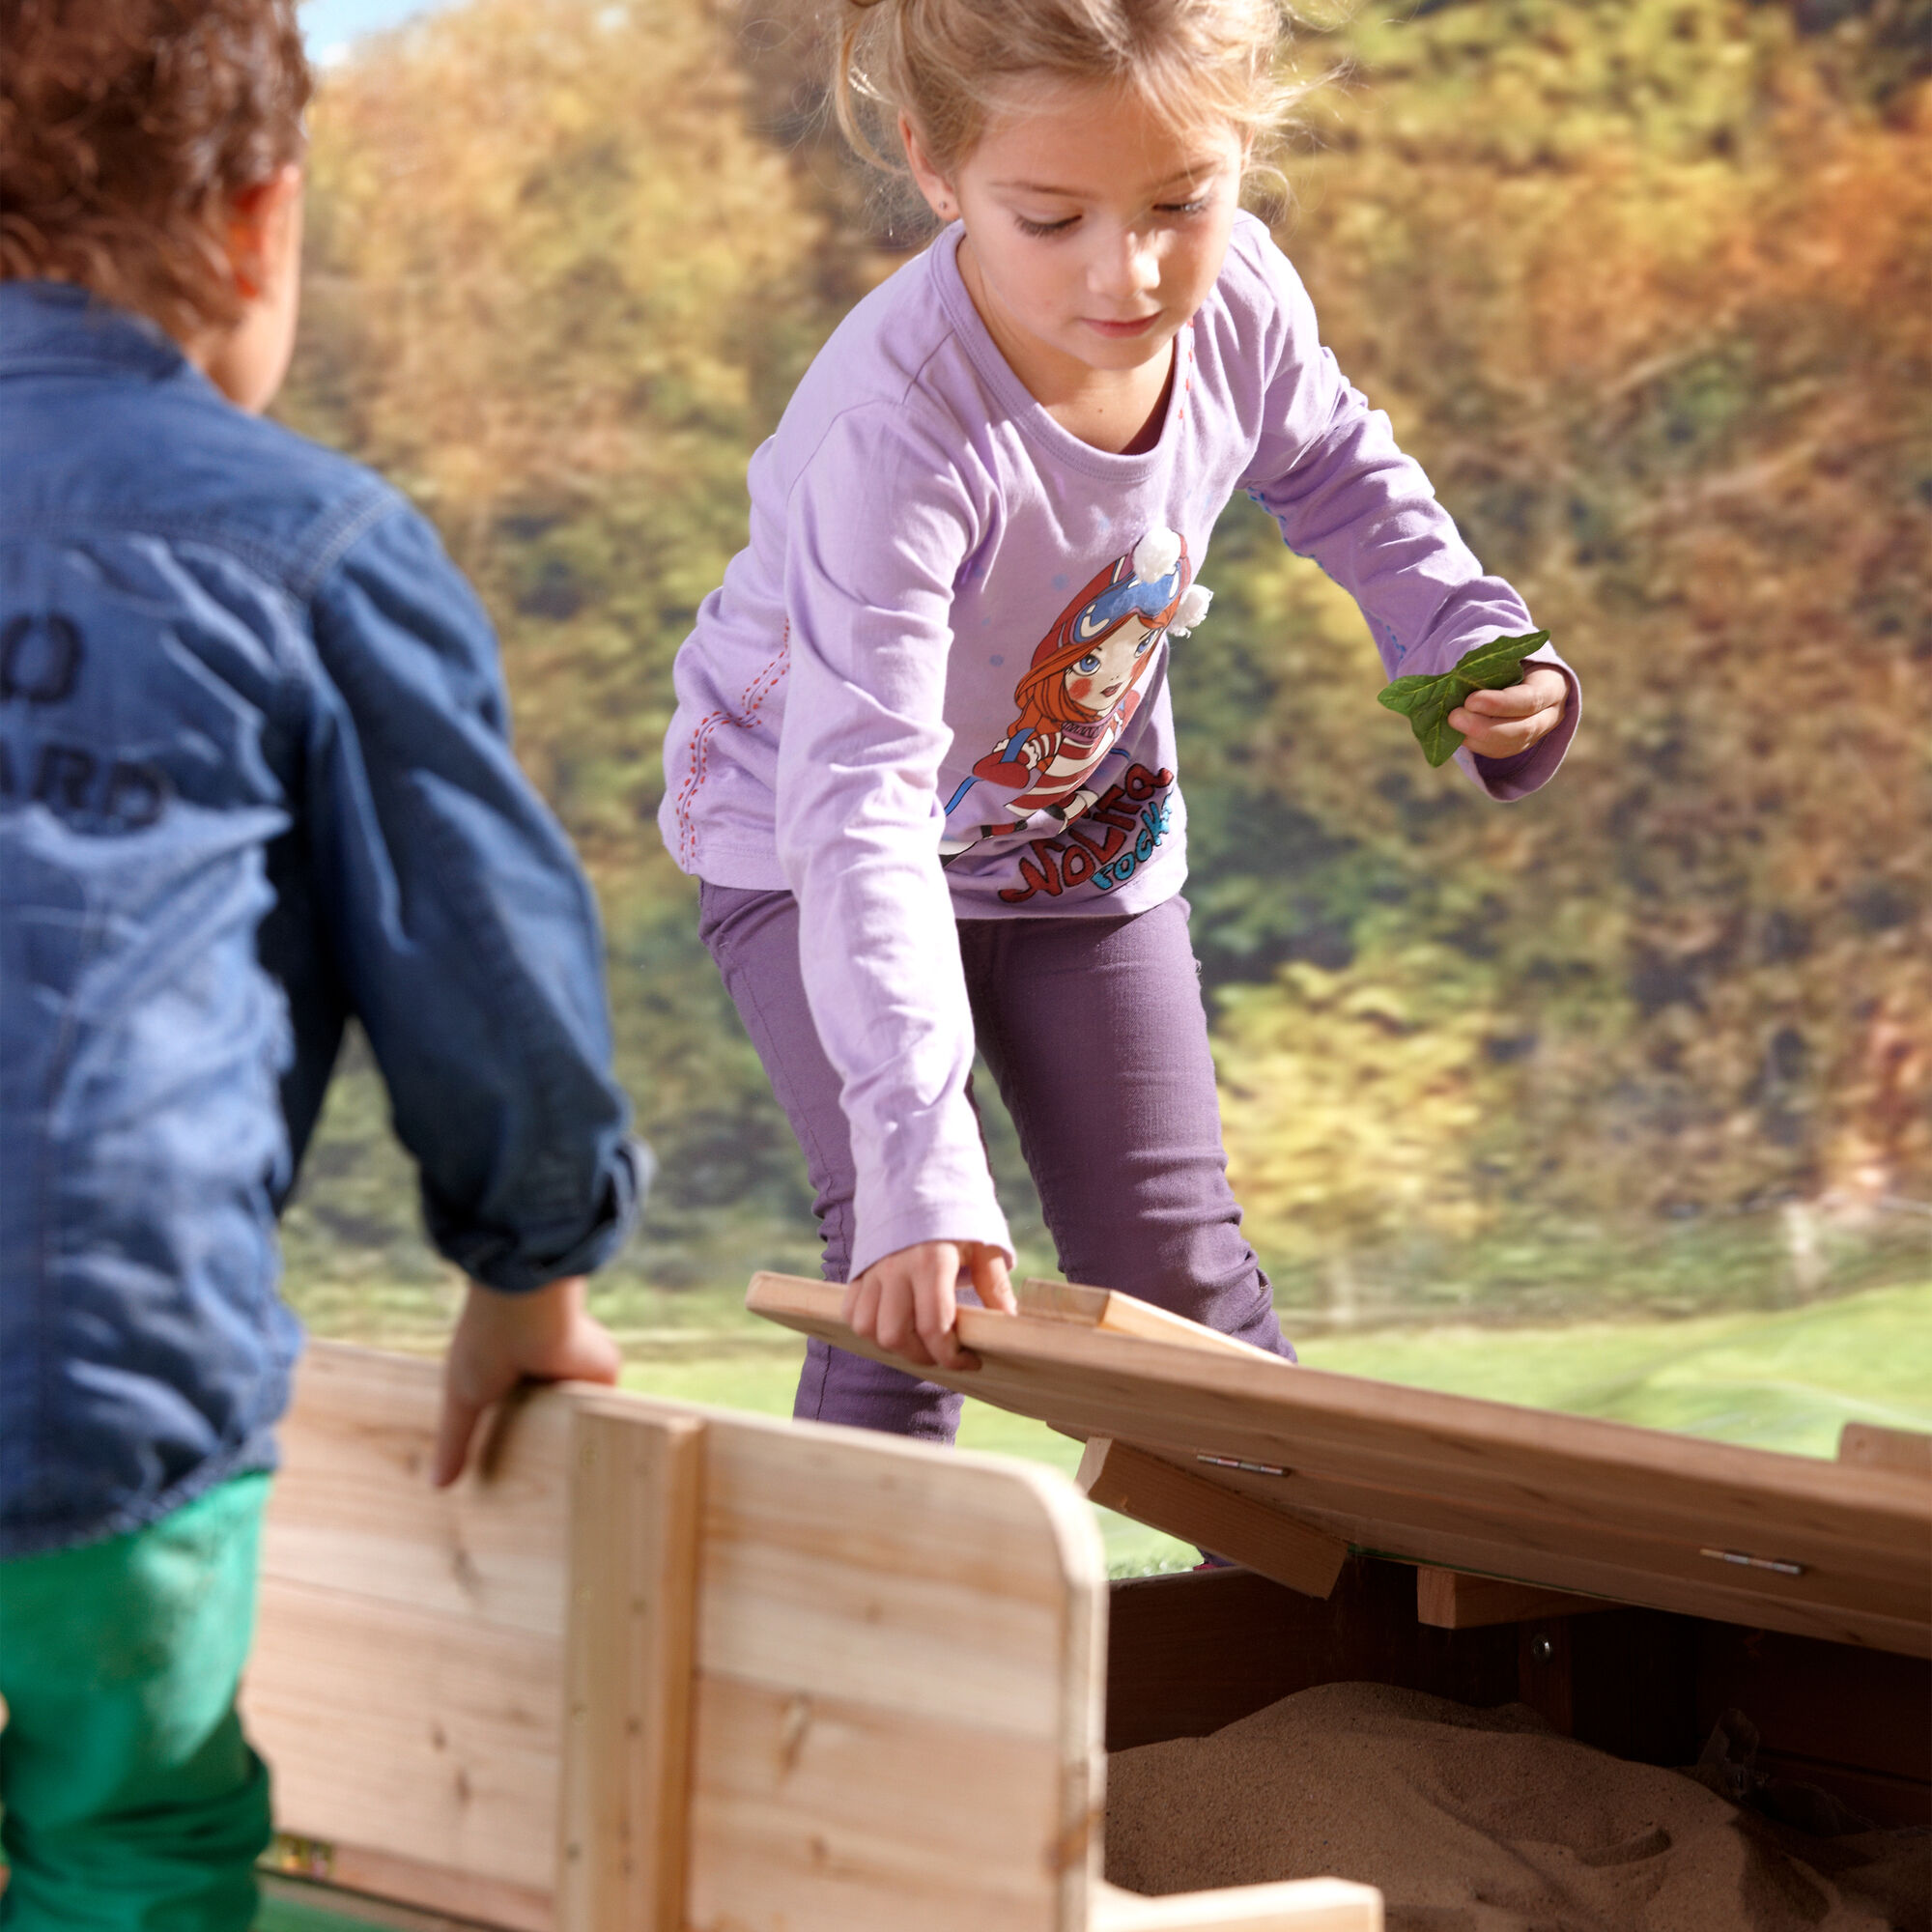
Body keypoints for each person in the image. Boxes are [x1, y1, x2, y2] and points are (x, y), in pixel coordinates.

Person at [662, 0, 1578, 1440]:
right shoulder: (898, 431)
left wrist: (1467, 637)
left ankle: (1319, 1648)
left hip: (1078, 834)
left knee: (1182, 1270)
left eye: (1179, 203)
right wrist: (918, 1150)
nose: (1128, 272)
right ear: (935, 165)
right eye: (1051, 218)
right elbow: (859, 797)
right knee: (922, 1277)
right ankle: (847, 1652)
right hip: (809, 836)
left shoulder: (1243, 308)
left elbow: (1339, 470)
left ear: (1238, 157)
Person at [0, 3, 642, 1924]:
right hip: (95, 1362)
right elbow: (487, 963)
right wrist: (530, 1272)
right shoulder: (307, 544)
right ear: (257, 224)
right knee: (124, 1838)